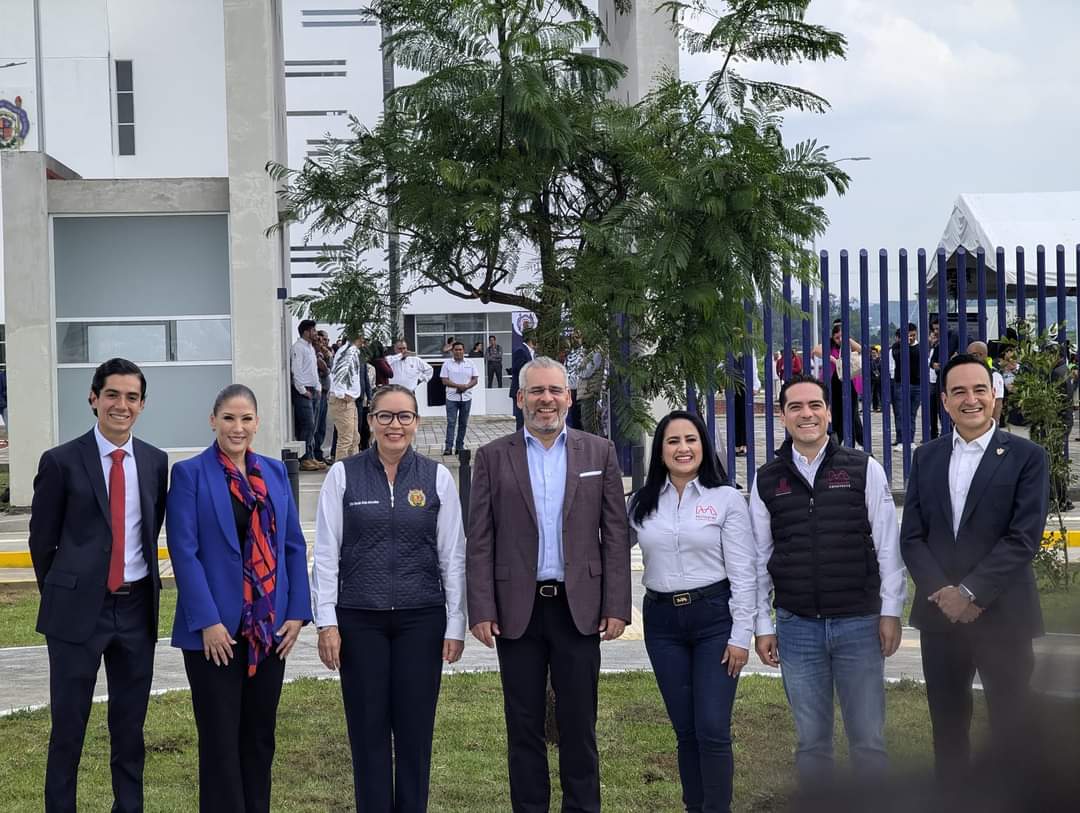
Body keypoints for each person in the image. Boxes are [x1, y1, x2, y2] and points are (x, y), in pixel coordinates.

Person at [467, 356, 632, 813]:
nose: (546, 400)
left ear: (569, 398)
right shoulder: (492, 457)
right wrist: (480, 608)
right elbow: (479, 538)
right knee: (523, 726)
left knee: (579, 725)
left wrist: (616, 603)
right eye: (536, 391)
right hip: (516, 611)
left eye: (555, 391)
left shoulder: (599, 452)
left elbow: (615, 534)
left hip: (578, 608)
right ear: (519, 399)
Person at [312, 384, 466, 812]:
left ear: (416, 423)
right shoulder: (343, 475)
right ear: (370, 421)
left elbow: (452, 556)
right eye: (385, 416)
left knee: (416, 734)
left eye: (404, 417)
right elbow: (326, 554)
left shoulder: (437, 477)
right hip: (360, 620)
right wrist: (327, 622)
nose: (394, 425)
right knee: (368, 733)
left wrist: (455, 624)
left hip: (422, 620)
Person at [750, 374, 906, 787]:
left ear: (829, 412)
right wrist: (763, 626)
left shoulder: (863, 468)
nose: (807, 414)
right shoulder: (767, 479)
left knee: (868, 742)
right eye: (796, 407)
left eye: (815, 405)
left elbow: (889, 547)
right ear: (782, 416)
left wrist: (891, 611)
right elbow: (758, 560)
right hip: (797, 627)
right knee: (812, 744)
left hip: (859, 624)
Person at [900, 353, 1049, 784]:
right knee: (947, 728)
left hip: (1004, 616)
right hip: (939, 618)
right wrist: (944, 594)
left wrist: (969, 592)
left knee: (1010, 724)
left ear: (995, 396)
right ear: (944, 400)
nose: (971, 400)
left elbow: (1023, 537)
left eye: (980, 390)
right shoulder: (925, 458)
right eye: (959, 391)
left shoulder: (1026, 456)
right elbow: (912, 536)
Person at [28, 358, 169, 813]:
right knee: (69, 728)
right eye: (112, 394)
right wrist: (65, 589)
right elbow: (41, 542)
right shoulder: (60, 461)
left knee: (130, 729)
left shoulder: (153, 461)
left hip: (135, 612)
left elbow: (151, 526)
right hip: (76, 615)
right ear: (93, 398)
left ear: (142, 405)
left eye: (131, 397)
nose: (121, 405)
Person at [166, 385, 312, 813]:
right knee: (219, 741)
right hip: (216, 634)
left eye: (246, 419)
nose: (238, 427)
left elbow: (292, 546)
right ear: (213, 420)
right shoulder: (191, 474)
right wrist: (207, 622)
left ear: (257, 423)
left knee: (259, 736)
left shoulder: (274, 472)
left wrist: (297, 613)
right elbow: (185, 552)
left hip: (269, 630)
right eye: (229, 418)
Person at [629, 410, 756, 813]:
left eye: (690, 440)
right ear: (660, 451)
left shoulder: (727, 499)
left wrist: (741, 636)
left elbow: (744, 573)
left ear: (703, 445)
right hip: (662, 622)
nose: (682, 448)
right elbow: (610, 551)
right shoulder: (641, 503)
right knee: (685, 730)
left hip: (714, 620)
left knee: (713, 728)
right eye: (672, 441)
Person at [813, 322, 863, 445]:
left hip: (849, 385)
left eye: (842, 337)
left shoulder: (849, 346)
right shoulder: (829, 346)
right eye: (837, 337)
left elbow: (861, 349)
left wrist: (847, 339)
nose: (839, 340)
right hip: (833, 384)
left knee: (852, 414)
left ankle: (853, 442)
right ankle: (836, 441)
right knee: (835, 415)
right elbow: (816, 350)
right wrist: (832, 359)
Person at [290, 319, 324, 471]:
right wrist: (303, 390)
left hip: (313, 390)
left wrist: (318, 387)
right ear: (306, 331)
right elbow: (296, 370)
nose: (316, 333)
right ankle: (304, 458)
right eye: (313, 330)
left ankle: (311, 456)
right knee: (307, 425)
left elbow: (313, 370)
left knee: (314, 426)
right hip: (304, 392)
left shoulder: (310, 348)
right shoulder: (298, 347)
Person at [330, 331, 369, 462]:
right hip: (343, 400)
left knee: (354, 438)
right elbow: (339, 373)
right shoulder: (346, 352)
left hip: (350, 400)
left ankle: (353, 468)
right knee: (345, 439)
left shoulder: (353, 352)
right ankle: (340, 471)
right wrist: (341, 394)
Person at [441, 340, 479, 455]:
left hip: (466, 398)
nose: (458, 352)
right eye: (456, 350)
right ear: (452, 351)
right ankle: (448, 447)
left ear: (464, 350)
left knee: (463, 423)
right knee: (451, 422)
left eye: (460, 350)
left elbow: (475, 379)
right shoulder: (447, 364)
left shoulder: (470, 363)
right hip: (452, 398)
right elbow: (444, 380)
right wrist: (458, 386)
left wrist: (466, 386)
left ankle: (459, 446)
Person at [890, 322, 921, 446]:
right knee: (901, 413)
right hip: (901, 384)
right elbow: (898, 357)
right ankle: (901, 440)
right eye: (909, 335)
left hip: (917, 384)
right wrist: (905, 345)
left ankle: (911, 440)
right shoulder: (897, 346)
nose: (911, 338)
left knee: (912, 414)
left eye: (913, 335)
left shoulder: (920, 347)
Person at [967, 341, 1004, 424]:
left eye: (970, 355)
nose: (968, 358)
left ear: (980, 354)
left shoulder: (994, 375)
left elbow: (997, 403)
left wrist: (993, 425)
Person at [508, 331, 537, 431]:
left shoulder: (529, 351)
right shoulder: (521, 351)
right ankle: (519, 443)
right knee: (521, 420)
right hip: (520, 391)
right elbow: (518, 370)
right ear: (531, 338)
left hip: (527, 391)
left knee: (527, 419)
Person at [314, 330, 333, 464]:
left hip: (325, 391)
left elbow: (328, 368)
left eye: (326, 340)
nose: (325, 342)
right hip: (317, 391)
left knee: (322, 425)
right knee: (315, 425)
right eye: (322, 340)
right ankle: (314, 453)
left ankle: (319, 451)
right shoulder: (313, 352)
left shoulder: (326, 353)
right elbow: (323, 369)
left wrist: (327, 355)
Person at [869, 346, 882, 412]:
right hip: (871, 379)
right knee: (872, 393)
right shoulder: (870, 360)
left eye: (874, 352)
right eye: (872, 353)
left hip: (878, 380)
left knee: (877, 394)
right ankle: (874, 407)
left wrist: (877, 375)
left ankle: (878, 406)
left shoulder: (879, 360)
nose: (873, 354)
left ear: (877, 353)